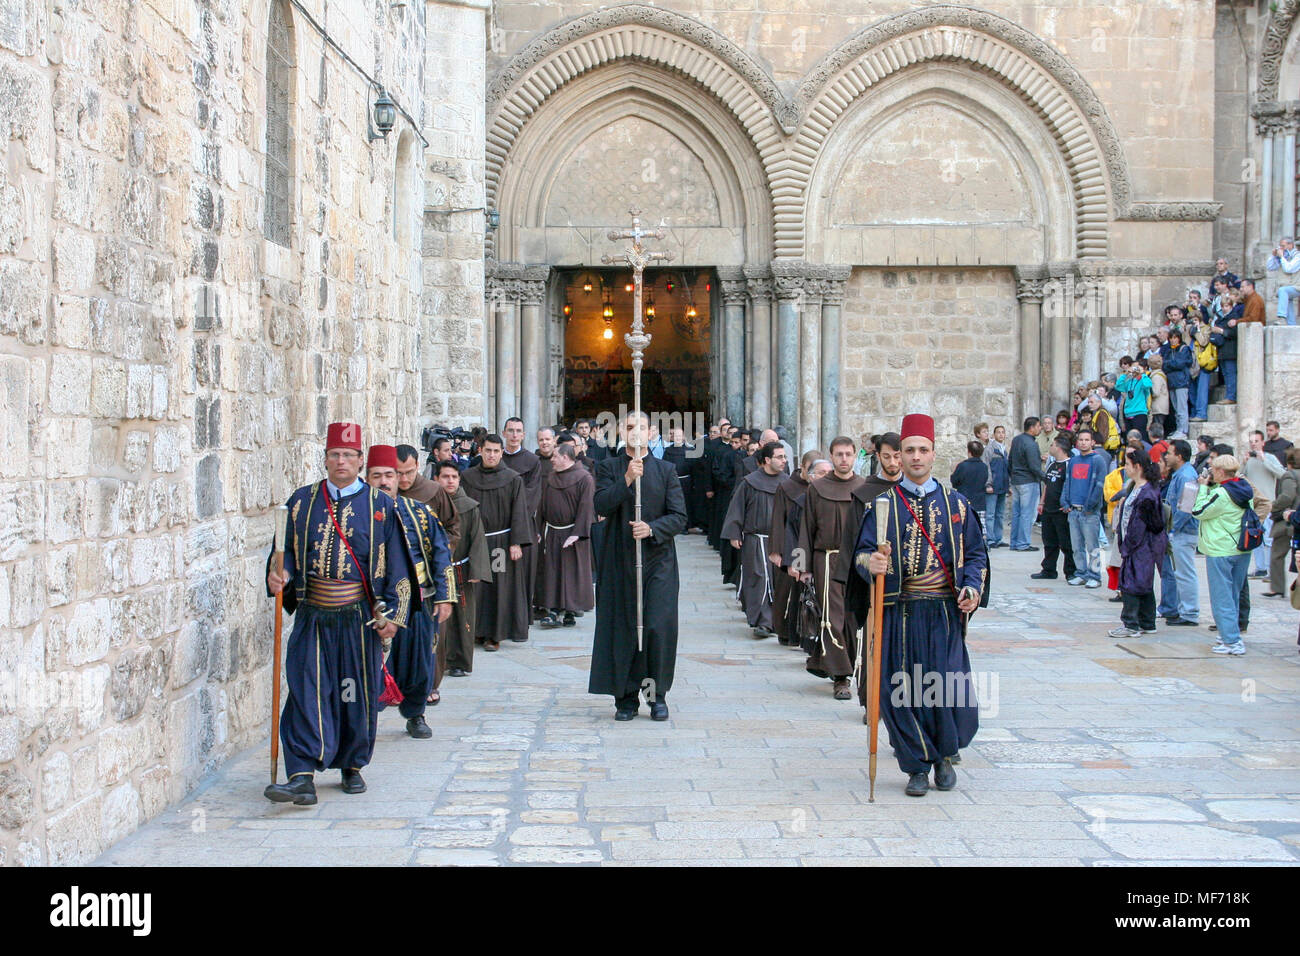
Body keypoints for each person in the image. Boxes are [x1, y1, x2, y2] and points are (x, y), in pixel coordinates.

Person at [263, 423, 414, 805]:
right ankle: (301, 774)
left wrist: (393, 615)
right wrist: (279, 573)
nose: (341, 461)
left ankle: (351, 764)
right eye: (335, 454)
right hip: (314, 614)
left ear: (360, 461)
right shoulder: (301, 501)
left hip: (357, 618)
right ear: (326, 459)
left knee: (353, 692)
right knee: (305, 690)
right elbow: (286, 552)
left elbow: (398, 564)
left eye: (349, 455)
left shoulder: (381, 506)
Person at [855, 413, 989, 797]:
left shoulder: (957, 505)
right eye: (908, 450)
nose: (915, 457)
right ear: (899, 454)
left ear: (934, 454)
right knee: (901, 690)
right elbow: (860, 556)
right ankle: (915, 765)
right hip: (900, 611)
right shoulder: (881, 505)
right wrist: (871, 563)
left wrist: (972, 588)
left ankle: (944, 756)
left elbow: (977, 555)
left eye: (922, 450)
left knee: (946, 687)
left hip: (944, 614)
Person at [589, 412, 688, 721]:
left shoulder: (666, 470)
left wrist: (653, 529)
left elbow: (680, 516)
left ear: (651, 432)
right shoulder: (608, 467)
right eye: (629, 427)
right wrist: (627, 479)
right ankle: (626, 697)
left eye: (641, 427)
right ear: (620, 432)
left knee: (657, 627)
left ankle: (657, 696)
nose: (635, 432)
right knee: (624, 627)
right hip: (619, 559)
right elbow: (601, 504)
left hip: (658, 561)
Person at [365, 444, 454, 735]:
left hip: (419, 602)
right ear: (367, 478)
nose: (385, 481)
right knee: (373, 665)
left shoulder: (419, 512)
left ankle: (416, 714)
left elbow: (441, 553)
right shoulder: (357, 515)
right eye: (377, 476)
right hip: (374, 607)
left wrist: (445, 596)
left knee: (419, 662)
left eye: (389, 475)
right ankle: (367, 718)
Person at [797, 436, 865, 700]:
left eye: (848, 454)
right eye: (839, 454)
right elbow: (806, 527)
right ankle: (841, 677)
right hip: (826, 559)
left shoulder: (864, 487)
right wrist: (802, 566)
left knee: (851, 618)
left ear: (855, 455)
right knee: (831, 618)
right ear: (831, 455)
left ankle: (850, 666)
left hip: (858, 561)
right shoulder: (816, 488)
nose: (844, 459)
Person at [461, 433, 534, 650]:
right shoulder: (467, 477)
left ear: (501, 453)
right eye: (488, 450)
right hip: (475, 542)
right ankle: (476, 630)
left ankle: (495, 634)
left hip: (501, 543)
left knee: (498, 587)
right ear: (480, 451)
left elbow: (519, 511)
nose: (492, 455)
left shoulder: (513, 479)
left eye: (496, 451)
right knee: (477, 586)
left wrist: (516, 542)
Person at [722, 441, 787, 638]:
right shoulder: (750, 482)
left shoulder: (787, 483)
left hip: (782, 541)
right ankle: (762, 622)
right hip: (756, 540)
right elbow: (737, 507)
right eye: (780, 457)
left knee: (778, 581)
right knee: (758, 578)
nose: (784, 461)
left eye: (784, 457)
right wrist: (734, 533)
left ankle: (777, 621)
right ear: (767, 460)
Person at [434, 460, 491, 680]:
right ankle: (438, 659)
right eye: (445, 476)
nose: (450, 481)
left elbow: (477, 538)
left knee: (462, 616)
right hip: (435, 571)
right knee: (438, 617)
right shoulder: (430, 504)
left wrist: (476, 570)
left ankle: (459, 661)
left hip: (460, 570)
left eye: (454, 477)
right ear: (437, 479)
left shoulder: (469, 506)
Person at [1193, 455, 1255, 655]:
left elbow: (1199, 511)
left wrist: (1203, 487)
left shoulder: (1221, 494)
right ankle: (1228, 633)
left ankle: (1232, 641)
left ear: (1220, 471)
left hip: (1221, 549)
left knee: (1222, 597)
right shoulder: (1245, 490)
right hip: (1241, 548)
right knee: (1233, 595)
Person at [1107, 448, 1168, 638]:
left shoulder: (1147, 493)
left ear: (1138, 466)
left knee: (1132, 582)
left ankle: (1131, 624)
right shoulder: (1136, 488)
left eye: (1128, 464)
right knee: (1143, 582)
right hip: (1136, 544)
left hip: (1141, 546)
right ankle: (1147, 622)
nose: (1125, 467)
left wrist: (1128, 547)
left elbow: (1140, 525)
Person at [536, 441, 596, 628]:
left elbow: (586, 508)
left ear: (565, 457)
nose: (551, 459)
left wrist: (577, 533)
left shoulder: (584, 478)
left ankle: (570, 610)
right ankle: (553, 610)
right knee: (552, 571)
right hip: (553, 532)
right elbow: (542, 505)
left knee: (572, 573)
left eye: (555, 456)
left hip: (573, 533)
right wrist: (539, 529)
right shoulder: (551, 477)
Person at [769, 449, 820, 646]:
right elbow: (779, 520)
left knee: (806, 592)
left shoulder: (821, 489)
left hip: (811, 546)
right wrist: (776, 550)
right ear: (803, 468)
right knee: (786, 590)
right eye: (811, 470)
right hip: (790, 544)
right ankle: (784, 631)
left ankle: (805, 631)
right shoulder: (787, 487)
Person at [1161, 440, 1201, 626]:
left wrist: (1172, 528)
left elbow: (1186, 508)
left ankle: (1190, 612)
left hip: (1183, 532)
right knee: (1180, 573)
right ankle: (1180, 608)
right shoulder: (1181, 475)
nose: (1166, 456)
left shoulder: (1186, 477)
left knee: (1185, 573)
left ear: (1179, 456)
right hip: (1178, 531)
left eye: (1169, 453)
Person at [1063, 428, 1109, 589]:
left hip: (1089, 512)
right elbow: (1067, 482)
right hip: (1074, 510)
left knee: (1092, 546)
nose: (1083, 442)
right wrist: (1065, 501)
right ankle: (1081, 572)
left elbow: (1098, 485)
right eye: (1081, 440)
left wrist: (1091, 505)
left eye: (1086, 440)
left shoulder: (1098, 460)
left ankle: (1095, 575)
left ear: (1092, 442)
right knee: (1077, 546)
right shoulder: (1074, 461)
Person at [395, 444, 460, 555]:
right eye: (399, 473)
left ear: (417, 466)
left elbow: (452, 528)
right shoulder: (385, 492)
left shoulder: (434, 491)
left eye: (409, 472)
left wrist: (439, 555)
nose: (404, 479)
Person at [1032, 436, 1077, 581]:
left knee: (1065, 542)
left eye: (1052, 445)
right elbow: (1047, 485)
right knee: (1049, 541)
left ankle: (1071, 570)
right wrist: (1041, 503)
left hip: (1061, 510)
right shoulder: (1052, 464)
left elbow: (1070, 486)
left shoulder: (1069, 464)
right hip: (1048, 509)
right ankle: (1049, 569)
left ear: (1059, 447)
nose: (1050, 447)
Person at [1242, 430, 1285, 579]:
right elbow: (1241, 478)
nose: (1253, 443)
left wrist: (1264, 460)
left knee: (1268, 538)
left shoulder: (1270, 457)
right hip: (1252, 505)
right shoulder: (1249, 460)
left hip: (1267, 504)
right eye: (1251, 441)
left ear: (1262, 443)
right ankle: (1260, 568)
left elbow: (1281, 474)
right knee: (1255, 537)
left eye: (1256, 441)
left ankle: (1271, 570)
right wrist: (1243, 463)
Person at [1009, 417, 1044, 552]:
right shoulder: (1031, 444)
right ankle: (1023, 543)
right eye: (1038, 426)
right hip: (1028, 480)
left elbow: (1010, 460)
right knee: (1026, 513)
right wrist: (1045, 478)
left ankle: (1015, 542)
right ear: (1033, 427)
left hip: (1017, 480)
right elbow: (1034, 466)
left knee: (1017, 513)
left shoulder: (1017, 440)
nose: (1039, 428)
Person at [982, 424, 1010, 548]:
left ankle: (998, 538)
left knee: (1000, 514)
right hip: (993, 486)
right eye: (998, 432)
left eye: (1003, 432)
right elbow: (986, 466)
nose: (1001, 434)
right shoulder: (989, 449)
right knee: (990, 514)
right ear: (994, 435)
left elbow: (1007, 469)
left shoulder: (1005, 450)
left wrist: (1008, 485)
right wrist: (988, 483)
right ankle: (990, 538)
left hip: (1003, 485)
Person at [1209, 296, 1241, 405]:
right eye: (1222, 306)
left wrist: (1221, 331)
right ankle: (1229, 395)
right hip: (1222, 350)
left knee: (1230, 374)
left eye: (1226, 306)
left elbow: (1234, 333)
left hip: (1230, 350)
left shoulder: (1234, 317)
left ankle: (1231, 396)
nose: (1224, 308)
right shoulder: (1220, 318)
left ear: (1231, 306)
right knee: (1226, 374)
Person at [1163, 329, 1193, 439]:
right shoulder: (1168, 351)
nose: (1173, 340)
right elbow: (1164, 365)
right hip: (1171, 382)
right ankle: (1178, 429)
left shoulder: (1184, 349)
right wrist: (1171, 364)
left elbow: (1180, 363)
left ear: (1179, 338)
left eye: (1175, 337)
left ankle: (1183, 430)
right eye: (1171, 338)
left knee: (1182, 408)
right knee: (1176, 408)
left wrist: (1169, 364)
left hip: (1181, 382)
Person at [950, 440, 989, 521]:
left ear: (969, 452)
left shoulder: (963, 466)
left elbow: (954, 482)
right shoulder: (984, 467)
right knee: (979, 529)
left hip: (964, 503)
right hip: (980, 504)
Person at [1265, 236, 1300, 325]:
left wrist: (1281, 257)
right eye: (1280, 246)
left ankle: (1281, 317)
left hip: (1297, 286)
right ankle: (1292, 325)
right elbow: (1270, 267)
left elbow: (1289, 268)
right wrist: (1273, 256)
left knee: (1283, 291)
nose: (1281, 248)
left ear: (1290, 245)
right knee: (1288, 303)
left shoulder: (1298, 256)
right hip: (1287, 286)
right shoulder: (1283, 257)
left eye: (1283, 246)